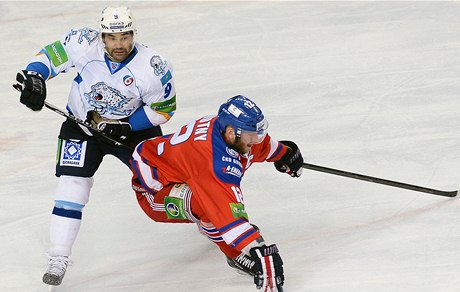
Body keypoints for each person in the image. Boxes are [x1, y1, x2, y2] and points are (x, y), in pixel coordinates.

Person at [12, 5, 176, 286]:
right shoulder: (82, 42)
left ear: (133, 34)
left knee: (166, 180)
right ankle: (59, 256)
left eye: (124, 37)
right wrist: (35, 78)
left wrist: (127, 126)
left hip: (133, 130)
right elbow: (49, 57)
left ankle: (206, 220)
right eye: (112, 38)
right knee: (72, 185)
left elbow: (163, 108)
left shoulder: (152, 66)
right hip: (82, 126)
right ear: (102, 36)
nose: (119, 44)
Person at [130, 95, 303, 291]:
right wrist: (256, 247)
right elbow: (227, 216)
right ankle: (234, 255)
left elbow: (256, 147)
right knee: (210, 208)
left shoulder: (225, 130)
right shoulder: (214, 164)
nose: (256, 141)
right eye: (251, 136)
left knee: (214, 200)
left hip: (175, 168)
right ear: (231, 133)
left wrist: (285, 153)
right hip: (153, 193)